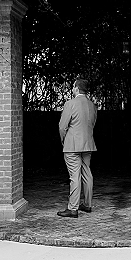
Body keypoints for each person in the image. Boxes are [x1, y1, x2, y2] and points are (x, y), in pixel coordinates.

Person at [57, 79, 97, 218]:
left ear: (76, 88)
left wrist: (64, 140)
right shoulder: (92, 105)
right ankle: (87, 204)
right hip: (88, 144)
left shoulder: (70, 104)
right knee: (87, 173)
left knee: (74, 176)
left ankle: (73, 208)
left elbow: (62, 126)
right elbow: (92, 124)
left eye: (73, 86)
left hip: (72, 145)